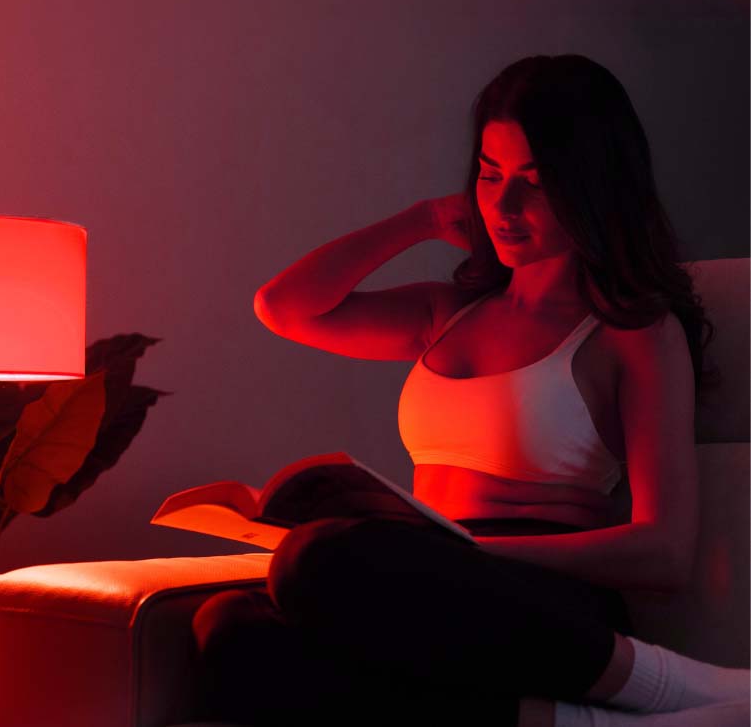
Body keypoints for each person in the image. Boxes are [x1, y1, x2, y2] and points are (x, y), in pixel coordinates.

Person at [190, 55, 750, 727]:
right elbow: (283, 306)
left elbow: (663, 550)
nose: (503, 208)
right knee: (229, 629)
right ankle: (570, 722)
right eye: (488, 175)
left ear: (592, 190)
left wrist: (471, 555)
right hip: (426, 577)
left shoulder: (631, 331)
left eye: (534, 184)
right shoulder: (446, 311)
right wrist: (421, 218)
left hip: (540, 595)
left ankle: (665, 686)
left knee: (318, 558)